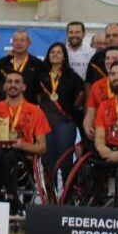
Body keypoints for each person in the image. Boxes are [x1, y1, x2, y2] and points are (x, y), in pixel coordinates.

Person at [0, 71, 50, 215]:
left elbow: (42, 147)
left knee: (8, 156)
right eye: (9, 82)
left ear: (24, 87)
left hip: (22, 156)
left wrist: (23, 145)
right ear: (4, 87)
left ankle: (5, 195)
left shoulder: (35, 111)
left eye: (17, 82)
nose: (13, 85)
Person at [37, 42, 86, 183]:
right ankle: (49, 198)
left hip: (65, 122)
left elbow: (80, 94)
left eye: (59, 52)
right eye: (52, 52)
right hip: (45, 123)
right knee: (47, 161)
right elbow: (37, 96)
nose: (55, 55)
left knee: (65, 160)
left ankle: (67, 197)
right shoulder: (41, 75)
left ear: (64, 57)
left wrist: (69, 108)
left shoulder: (72, 76)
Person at [0, 29, 47, 101]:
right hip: (6, 106)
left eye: (22, 40)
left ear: (29, 43)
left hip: (30, 106)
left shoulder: (37, 63)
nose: (19, 43)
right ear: (12, 43)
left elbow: (40, 90)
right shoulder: (3, 62)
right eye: (16, 40)